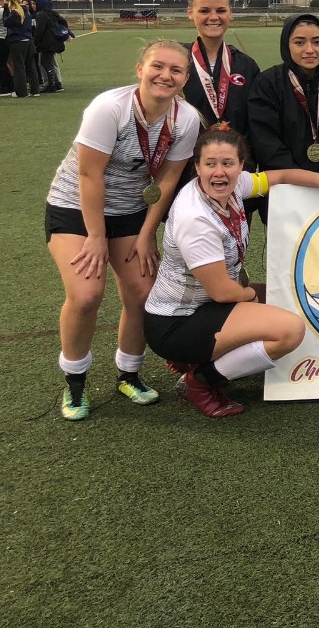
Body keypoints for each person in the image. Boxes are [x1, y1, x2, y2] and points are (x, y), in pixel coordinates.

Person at [144, 127, 319, 417]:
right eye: (210, 164)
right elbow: (222, 292)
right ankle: (200, 380)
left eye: (228, 163)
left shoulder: (236, 184)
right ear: (197, 167)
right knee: (288, 330)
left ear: (242, 166)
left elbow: (281, 176)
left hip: (203, 306)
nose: (219, 172)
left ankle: (203, 356)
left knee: (287, 296)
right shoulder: (196, 218)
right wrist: (251, 296)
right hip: (177, 322)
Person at [47, 40, 200, 419]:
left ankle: (128, 374)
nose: (165, 75)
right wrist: (96, 237)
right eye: (157, 66)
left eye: (176, 70)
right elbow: (89, 175)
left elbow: (167, 180)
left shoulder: (187, 119)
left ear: (185, 79)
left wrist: (148, 232)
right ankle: (75, 383)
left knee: (143, 293)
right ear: (140, 69)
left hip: (132, 211)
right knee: (85, 295)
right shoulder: (109, 107)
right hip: (76, 208)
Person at [248, 14, 319, 182]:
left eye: (317, 42)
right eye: (299, 42)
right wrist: (299, 179)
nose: (310, 50)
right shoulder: (267, 84)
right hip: (285, 185)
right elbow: (265, 141)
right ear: (286, 46)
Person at [183, 0, 259, 135]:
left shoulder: (246, 65)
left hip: (234, 156)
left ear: (230, 13)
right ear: (190, 13)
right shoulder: (177, 60)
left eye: (221, 10)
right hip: (187, 157)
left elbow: (256, 120)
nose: (213, 17)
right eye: (204, 11)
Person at [3, 0, 40, 98]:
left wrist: (6, 9)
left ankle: (22, 92)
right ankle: (35, 90)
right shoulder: (26, 10)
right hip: (28, 40)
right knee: (31, 66)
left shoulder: (15, 13)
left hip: (17, 41)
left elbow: (6, 23)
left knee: (19, 67)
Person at [30, 0, 68, 92]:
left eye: (34, 4)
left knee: (45, 63)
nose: (32, 6)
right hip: (53, 43)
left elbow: (39, 31)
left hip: (47, 44)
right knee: (50, 63)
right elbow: (64, 22)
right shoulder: (51, 13)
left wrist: (35, 43)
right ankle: (57, 84)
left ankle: (51, 84)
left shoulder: (41, 15)